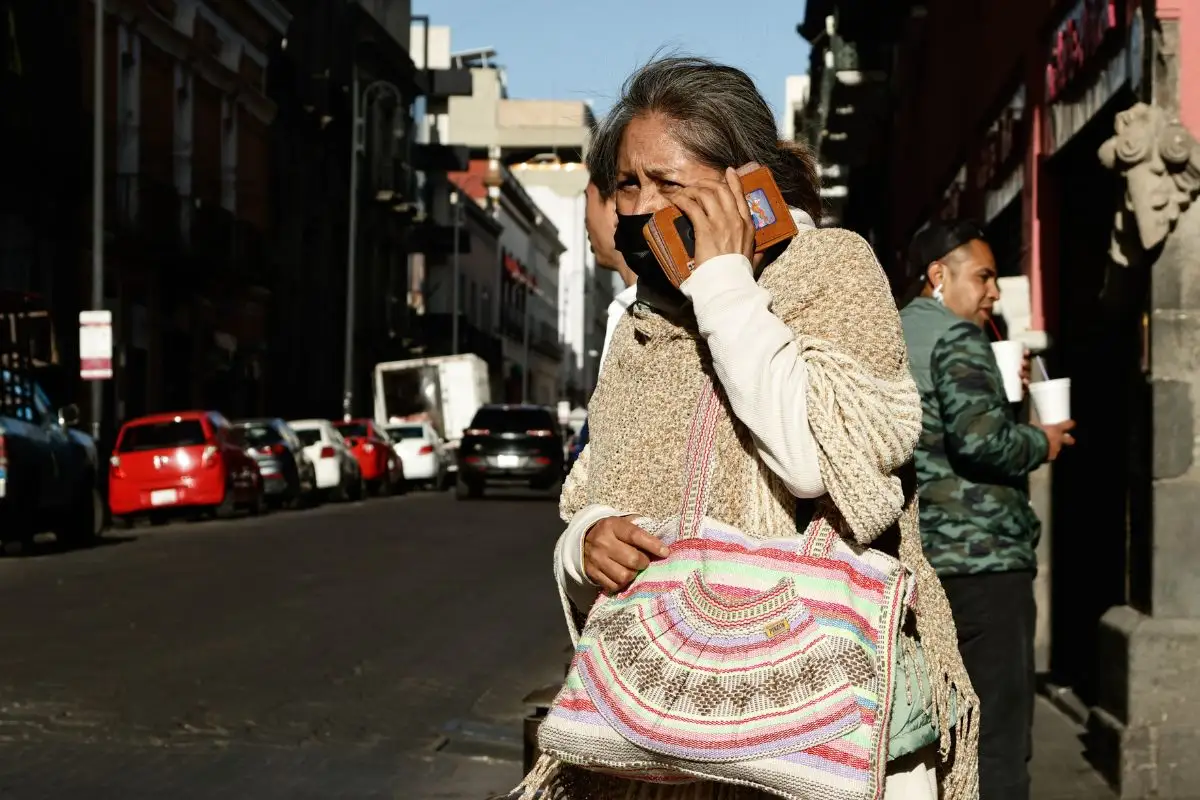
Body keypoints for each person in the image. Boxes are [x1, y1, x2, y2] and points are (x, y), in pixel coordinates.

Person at [520, 57, 980, 800]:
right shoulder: (643, 324)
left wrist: (724, 283)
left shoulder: (831, 270)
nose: (640, 208)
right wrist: (586, 543)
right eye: (628, 185)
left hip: (830, 734)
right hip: (669, 741)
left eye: (668, 183)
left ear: (745, 182)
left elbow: (821, 464)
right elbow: (595, 495)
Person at [899, 220, 1076, 800]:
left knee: (937, 733)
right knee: (998, 735)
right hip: (985, 560)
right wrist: (1043, 439)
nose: (993, 292)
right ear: (937, 276)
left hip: (923, 562)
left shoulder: (894, 333)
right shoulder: (958, 338)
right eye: (983, 276)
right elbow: (983, 442)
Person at [566, 182, 639, 469]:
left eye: (588, 197)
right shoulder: (624, 307)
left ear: (616, 205)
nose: (585, 218)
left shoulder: (640, 312)